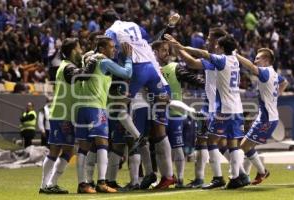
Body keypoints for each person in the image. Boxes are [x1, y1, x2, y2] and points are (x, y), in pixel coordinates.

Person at [102, 9, 176, 189]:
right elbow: (148, 41)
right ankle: (166, 176)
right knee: (159, 129)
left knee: (119, 109)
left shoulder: (110, 32)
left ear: (105, 23)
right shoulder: (134, 25)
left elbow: (108, 53)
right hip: (154, 71)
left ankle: (139, 140)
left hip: (137, 71)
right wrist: (169, 26)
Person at [165, 33, 246, 189]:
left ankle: (217, 177)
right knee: (229, 143)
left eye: (210, 40)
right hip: (235, 107)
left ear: (219, 44)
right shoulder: (233, 59)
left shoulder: (218, 60)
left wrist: (179, 46)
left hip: (220, 108)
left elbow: (192, 61)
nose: (208, 42)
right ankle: (238, 176)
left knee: (210, 141)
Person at [75, 36, 132, 193]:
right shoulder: (104, 62)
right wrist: (128, 58)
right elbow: (127, 73)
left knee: (83, 148)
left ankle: (82, 184)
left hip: (81, 108)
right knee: (102, 144)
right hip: (96, 108)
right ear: (101, 49)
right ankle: (101, 182)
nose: (114, 49)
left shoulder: (87, 60)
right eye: (111, 47)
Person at [39, 37, 90, 194]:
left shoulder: (66, 65)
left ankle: (48, 184)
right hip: (63, 115)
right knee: (57, 151)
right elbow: (79, 75)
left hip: (64, 114)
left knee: (66, 151)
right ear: (74, 50)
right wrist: (92, 63)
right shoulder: (68, 67)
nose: (81, 51)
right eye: (80, 47)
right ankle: (47, 184)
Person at [152, 40, 204, 187]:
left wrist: (207, 84)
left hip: (174, 113)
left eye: (168, 50)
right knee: (158, 148)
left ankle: (179, 179)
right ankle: (163, 177)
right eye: (163, 50)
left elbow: (193, 79)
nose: (167, 53)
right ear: (154, 52)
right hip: (155, 113)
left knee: (177, 146)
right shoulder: (150, 68)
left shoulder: (175, 67)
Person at [236, 48, 288, 185]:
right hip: (267, 117)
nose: (255, 60)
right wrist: (277, 95)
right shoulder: (274, 73)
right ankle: (246, 176)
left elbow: (251, 67)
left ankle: (262, 171)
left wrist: (236, 55)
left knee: (244, 146)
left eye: (258, 58)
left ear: (266, 61)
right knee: (248, 146)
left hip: (267, 119)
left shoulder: (265, 72)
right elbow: (285, 83)